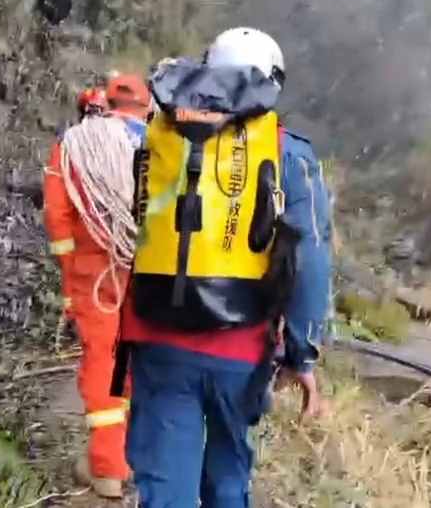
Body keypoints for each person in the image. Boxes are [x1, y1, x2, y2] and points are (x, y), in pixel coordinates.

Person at [113, 27, 333, 508]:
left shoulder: (162, 134)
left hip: (158, 337)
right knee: (228, 480)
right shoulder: (287, 151)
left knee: (166, 489)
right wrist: (303, 355)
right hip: (241, 348)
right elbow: (310, 258)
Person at [42, 73, 152, 499]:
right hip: (143, 269)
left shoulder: (72, 146)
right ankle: (130, 455)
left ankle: (107, 466)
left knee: (103, 361)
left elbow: (57, 217)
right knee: (130, 357)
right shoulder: (155, 145)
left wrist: (70, 275)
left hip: (95, 272)